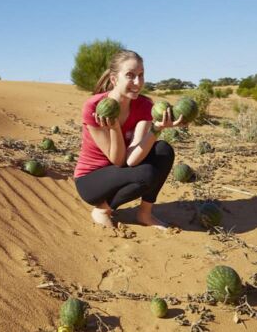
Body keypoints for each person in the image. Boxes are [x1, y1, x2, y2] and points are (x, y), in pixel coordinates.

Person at [73, 50, 184, 228]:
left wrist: (157, 128)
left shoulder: (144, 106)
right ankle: (102, 209)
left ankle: (145, 214)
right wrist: (115, 127)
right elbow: (117, 160)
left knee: (163, 150)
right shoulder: (95, 107)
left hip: (123, 168)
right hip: (91, 180)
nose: (137, 82)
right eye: (130, 76)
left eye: (141, 75)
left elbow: (131, 159)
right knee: (145, 174)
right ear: (114, 79)